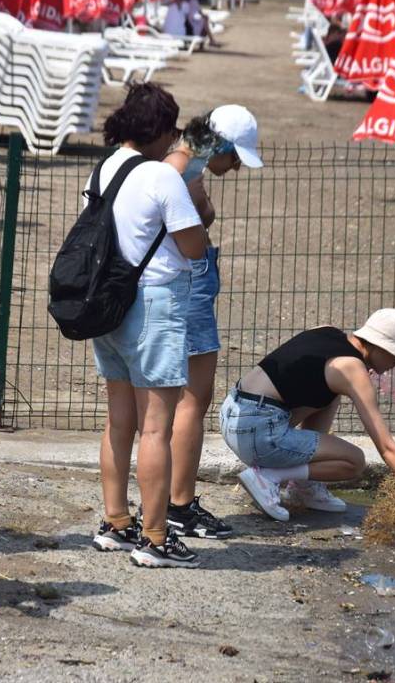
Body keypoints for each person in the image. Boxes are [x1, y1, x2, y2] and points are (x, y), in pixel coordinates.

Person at [87, 84, 208, 568]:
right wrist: (200, 209)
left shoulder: (106, 166)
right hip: (154, 304)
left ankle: (117, 523)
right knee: (155, 428)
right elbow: (194, 245)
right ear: (158, 129)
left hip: (110, 302)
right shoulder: (161, 176)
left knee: (119, 421)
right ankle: (155, 538)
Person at [219, 309, 395, 523]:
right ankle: (269, 477)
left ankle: (304, 487)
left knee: (330, 393)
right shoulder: (352, 369)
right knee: (353, 461)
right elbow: (387, 447)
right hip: (259, 433)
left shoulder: (325, 332)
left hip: (232, 415)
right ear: (380, 346)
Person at [159, 106, 263, 539]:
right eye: (235, 155)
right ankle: (178, 505)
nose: (236, 166)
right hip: (188, 281)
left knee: (166, 403)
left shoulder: (171, 162)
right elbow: (198, 222)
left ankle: (165, 502)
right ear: (217, 143)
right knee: (191, 401)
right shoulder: (187, 171)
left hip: (173, 281)